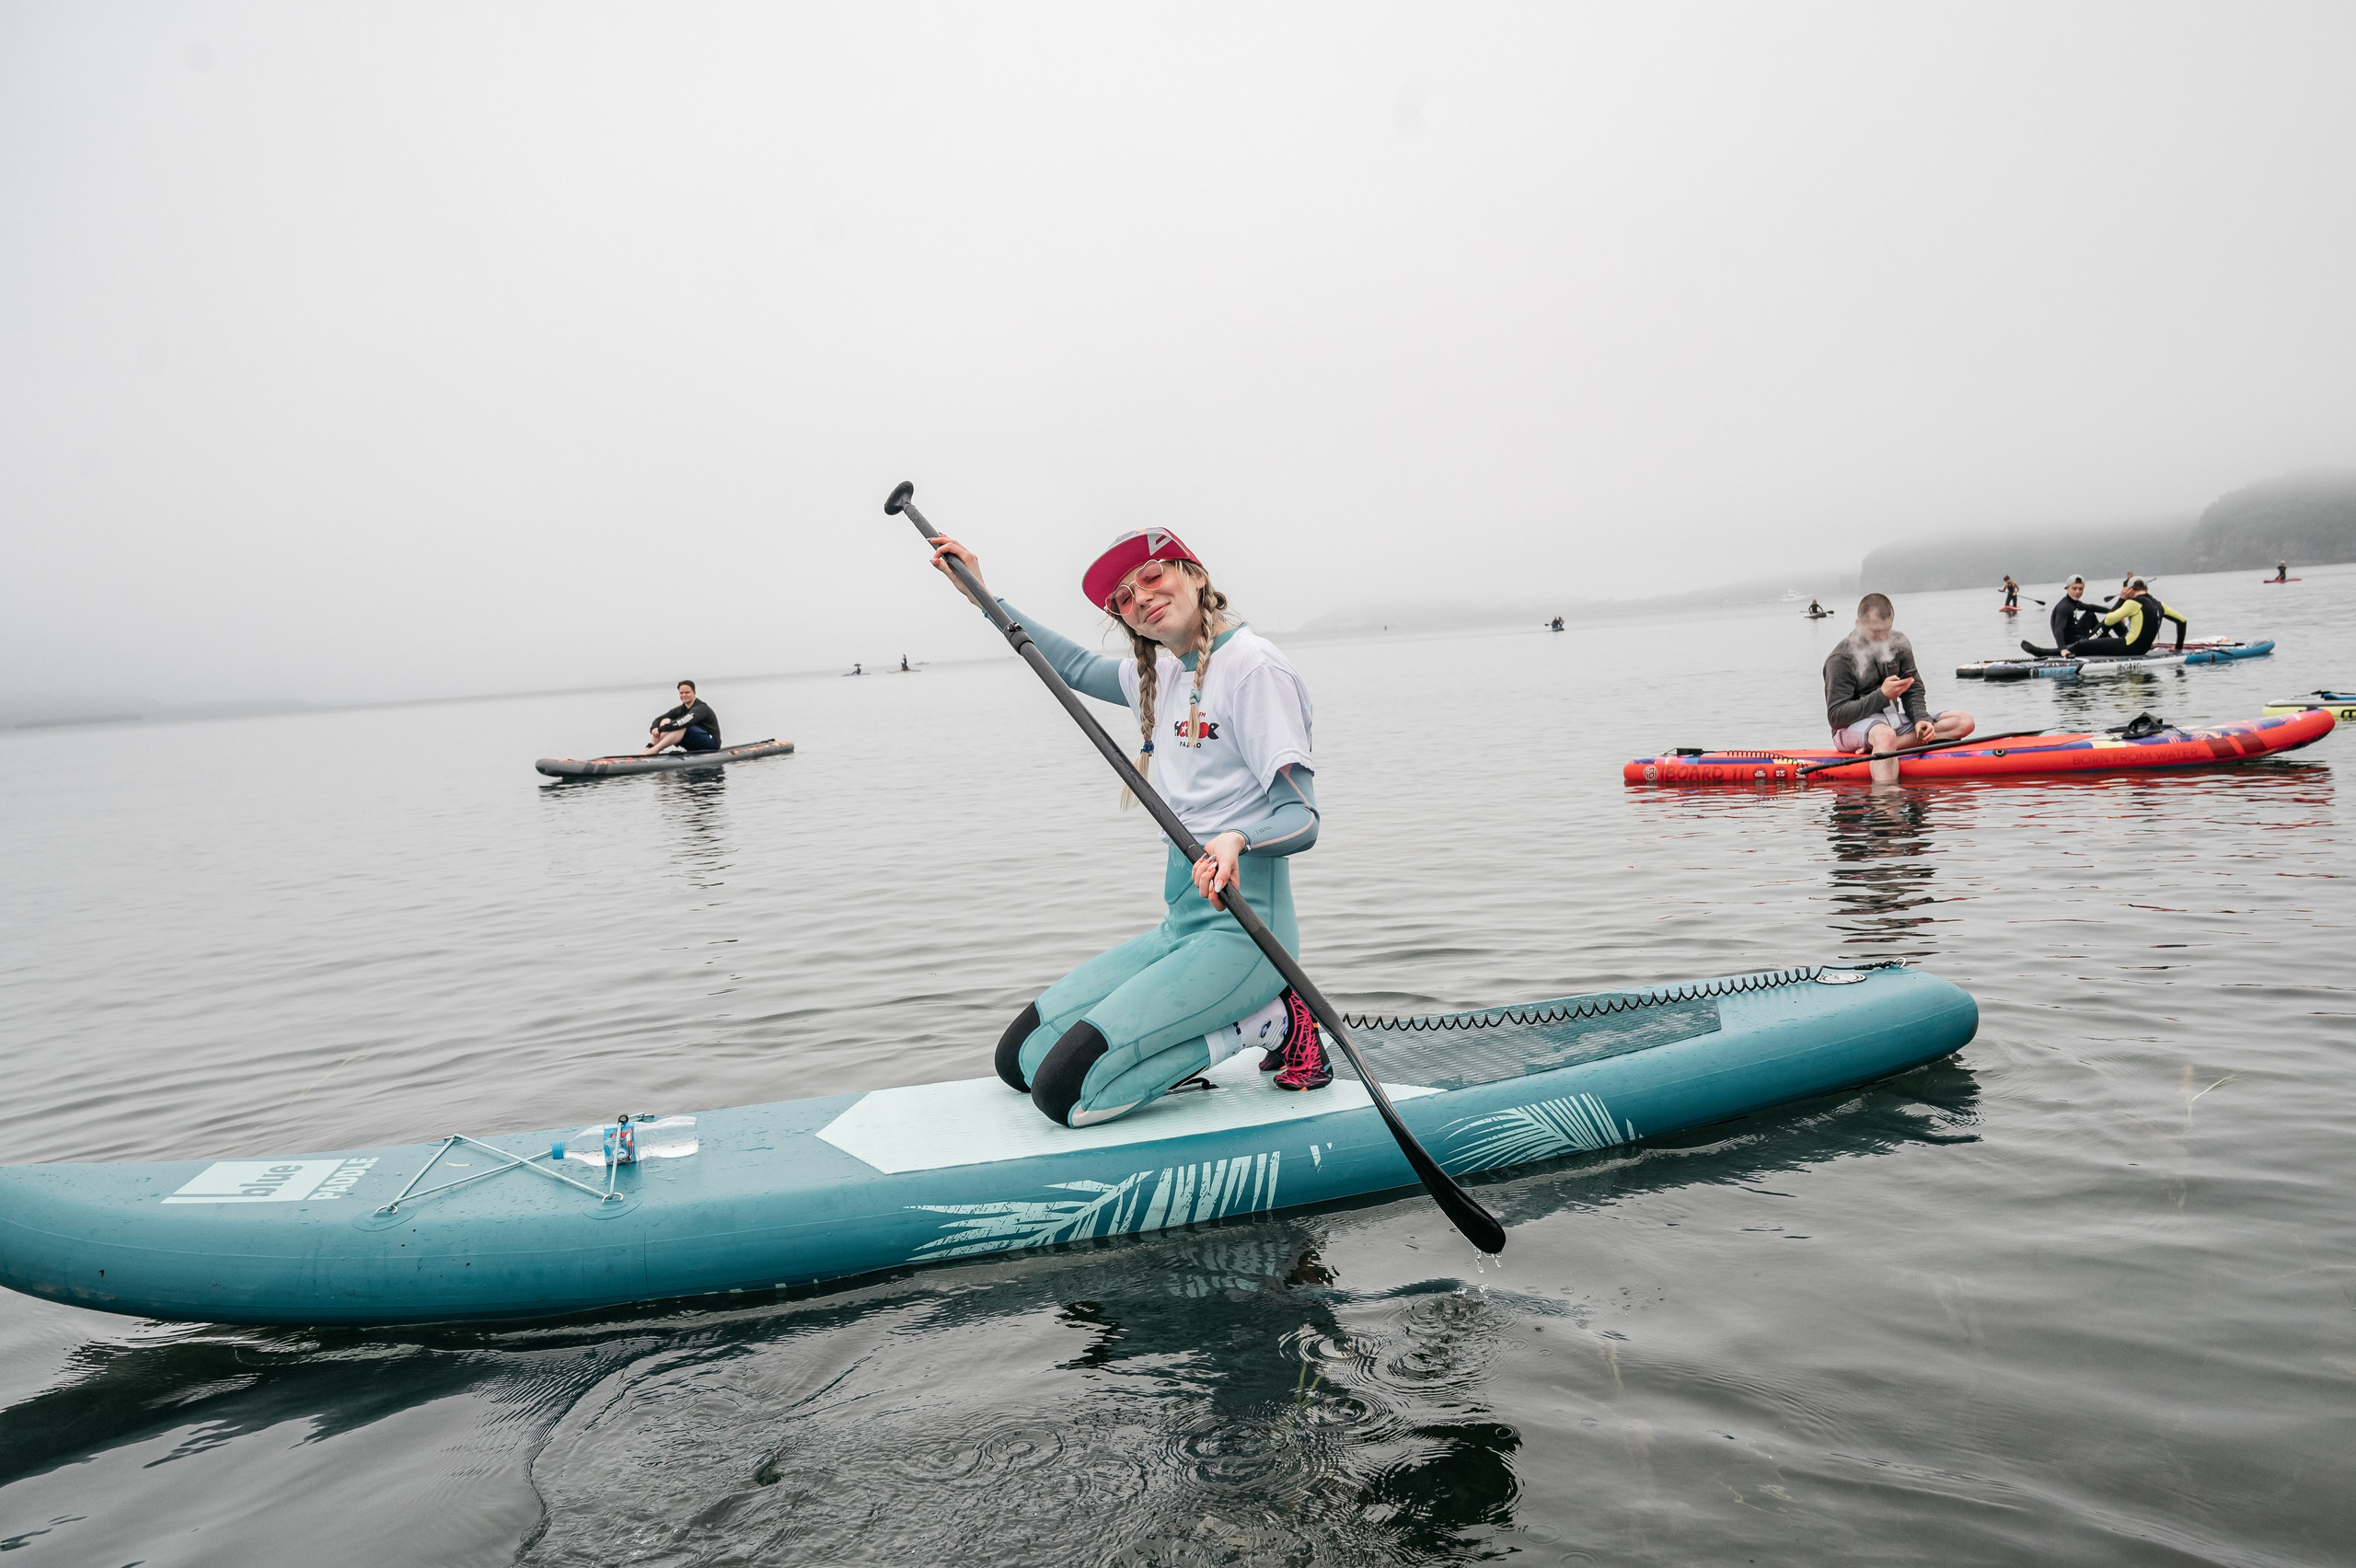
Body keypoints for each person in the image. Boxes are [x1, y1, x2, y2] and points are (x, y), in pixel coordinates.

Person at [927, 525, 1332, 1126]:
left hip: (1246, 939)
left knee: (1064, 1093)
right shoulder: (1166, 677)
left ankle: (1264, 1022)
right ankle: (1202, 1031)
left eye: (1152, 575)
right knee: (1020, 1060)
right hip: (1181, 931)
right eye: (1122, 597)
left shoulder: (1252, 668)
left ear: (1195, 576)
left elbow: (1301, 815)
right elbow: (1067, 663)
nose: (1139, 596)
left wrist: (1236, 838)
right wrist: (982, 596)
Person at [1823, 594, 1975, 784]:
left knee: (1963, 721)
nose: (1883, 637)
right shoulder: (1841, 659)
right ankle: (1887, 801)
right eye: (1876, 631)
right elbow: (1836, 717)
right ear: (1858, 624)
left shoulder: (1898, 643)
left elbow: (1913, 688)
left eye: (1887, 629)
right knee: (1884, 734)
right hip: (1850, 728)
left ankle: (1882, 747)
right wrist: (1882, 696)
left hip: (1891, 722)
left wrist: (1921, 719)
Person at [2068, 579, 2187, 657]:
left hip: (2128, 647)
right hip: (2143, 649)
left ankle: (2056, 652)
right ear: (2147, 589)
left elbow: (2109, 620)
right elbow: (2182, 621)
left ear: (2130, 590)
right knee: (2091, 644)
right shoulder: (2160, 605)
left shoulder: (2133, 603)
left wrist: (2122, 599)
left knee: (2080, 645)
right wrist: (2178, 647)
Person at [641, 681, 721, 755]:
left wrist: (660, 730)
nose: (684, 695)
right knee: (665, 721)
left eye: (687, 692)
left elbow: (684, 722)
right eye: (681, 693)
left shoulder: (701, 708)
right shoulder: (680, 709)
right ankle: (648, 749)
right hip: (693, 745)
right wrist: (654, 728)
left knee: (681, 726)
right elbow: (658, 719)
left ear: (694, 692)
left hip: (710, 744)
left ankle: (654, 751)